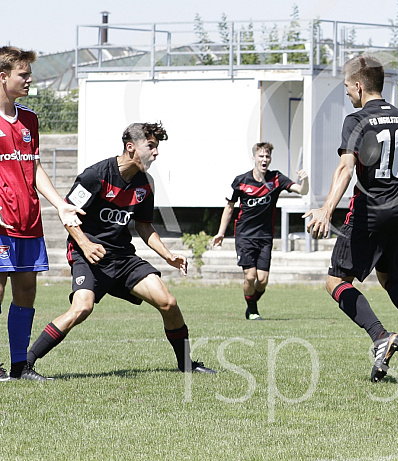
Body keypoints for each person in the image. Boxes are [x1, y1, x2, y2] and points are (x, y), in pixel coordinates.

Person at [23, 122, 215, 380]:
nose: (156, 153)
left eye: (157, 147)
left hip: (123, 257)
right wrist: (86, 244)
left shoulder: (145, 184)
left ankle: (186, 364)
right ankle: (25, 365)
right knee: (82, 308)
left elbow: (144, 226)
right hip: (88, 254)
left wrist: (168, 255)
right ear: (131, 147)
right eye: (151, 147)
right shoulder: (96, 175)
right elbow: (67, 214)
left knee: (168, 302)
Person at [303, 55, 398, 383]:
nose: (347, 93)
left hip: (369, 212)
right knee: (390, 277)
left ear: (359, 86)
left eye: (347, 87)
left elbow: (346, 168)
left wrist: (326, 209)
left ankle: (380, 337)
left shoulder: (356, 120)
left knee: (336, 280)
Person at [0, 46, 84, 381]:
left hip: (28, 221)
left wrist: (60, 203)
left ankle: (20, 366)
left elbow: (34, 169)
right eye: (23, 74)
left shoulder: (30, 119)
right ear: (2, 76)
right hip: (2, 224)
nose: (29, 80)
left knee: (26, 291)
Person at [212, 142, 309, 320]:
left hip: (265, 236)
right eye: (261, 156)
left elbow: (302, 191)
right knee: (250, 277)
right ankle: (252, 309)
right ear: (254, 158)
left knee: (262, 280)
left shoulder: (276, 179)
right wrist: (221, 232)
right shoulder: (241, 181)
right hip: (244, 236)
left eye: (267, 156)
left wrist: (305, 180)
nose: (264, 159)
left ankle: (251, 303)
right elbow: (229, 207)